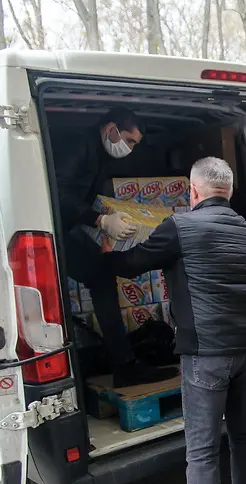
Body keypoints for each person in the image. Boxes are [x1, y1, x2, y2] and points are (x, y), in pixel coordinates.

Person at [104, 157, 246, 484]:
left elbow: (129, 264)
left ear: (192, 192)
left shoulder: (180, 226)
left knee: (202, 452)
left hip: (206, 353)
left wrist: (104, 243)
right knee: (244, 435)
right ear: (226, 191)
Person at [54, 107, 176, 388]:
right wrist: (99, 220)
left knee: (102, 275)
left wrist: (102, 227)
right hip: (51, 231)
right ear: (111, 128)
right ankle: (120, 365)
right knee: (99, 276)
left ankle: (124, 363)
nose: (131, 149)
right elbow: (58, 194)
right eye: (129, 141)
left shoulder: (97, 152)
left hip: (68, 228)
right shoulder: (79, 147)